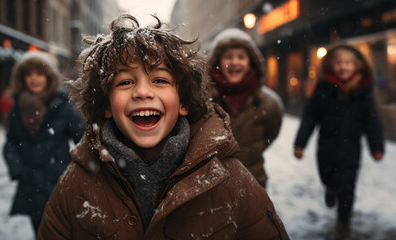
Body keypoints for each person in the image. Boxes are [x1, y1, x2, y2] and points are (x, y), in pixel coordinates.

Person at [37, 14, 289, 239]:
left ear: (183, 102)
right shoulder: (76, 184)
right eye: (125, 82)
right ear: (105, 105)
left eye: (159, 80)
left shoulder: (230, 179)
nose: (143, 92)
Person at [293, 45, 385, 239]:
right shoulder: (323, 89)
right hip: (326, 146)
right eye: (339, 63)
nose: (343, 67)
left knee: (348, 185)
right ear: (332, 66)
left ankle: (343, 221)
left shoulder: (363, 93)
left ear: (357, 66)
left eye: (348, 63)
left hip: (351, 148)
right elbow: (310, 118)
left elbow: (372, 122)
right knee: (326, 174)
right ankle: (330, 187)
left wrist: (376, 147)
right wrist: (300, 143)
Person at [2, 51, 85, 234]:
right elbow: (10, 143)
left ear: (48, 77)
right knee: (39, 231)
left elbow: (83, 140)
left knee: (62, 231)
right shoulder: (17, 107)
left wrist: (80, 171)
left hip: (58, 182)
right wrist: (18, 170)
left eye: (39, 73)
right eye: (29, 74)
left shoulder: (63, 106)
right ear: (22, 78)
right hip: (30, 184)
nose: (34, 78)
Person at [208, 28, 283, 188]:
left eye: (241, 57)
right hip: (212, 185)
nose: (235, 62)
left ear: (251, 62)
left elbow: (271, 133)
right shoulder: (204, 100)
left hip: (253, 182)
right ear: (217, 62)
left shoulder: (267, 102)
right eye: (228, 56)